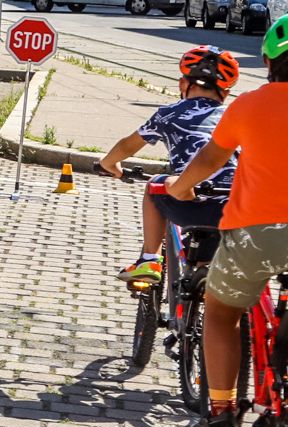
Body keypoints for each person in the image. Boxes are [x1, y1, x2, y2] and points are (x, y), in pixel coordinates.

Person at [167, 19, 288, 427]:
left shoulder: (248, 106)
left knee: (220, 312)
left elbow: (210, 160)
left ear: (269, 60)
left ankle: (220, 419)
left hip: (255, 234)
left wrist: (180, 189)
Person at [97, 46, 239, 284]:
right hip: (234, 205)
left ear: (183, 83)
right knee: (208, 268)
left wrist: (109, 163)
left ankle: (149, 259)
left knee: (155, 186)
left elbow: (128, 146)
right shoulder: (235, 116)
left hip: (189, 199)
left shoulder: (169, 113)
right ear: (224, 93)